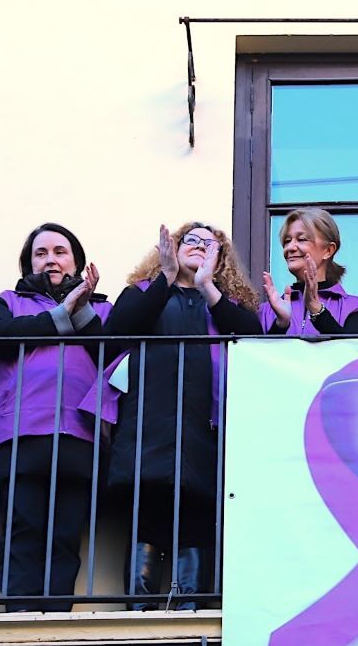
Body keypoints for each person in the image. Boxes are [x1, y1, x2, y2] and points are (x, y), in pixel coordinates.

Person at [100, 222, 262, 611]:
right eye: (192, 240)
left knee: (198, 515)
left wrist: (208, 287)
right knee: (147, 513)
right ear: (172, 249)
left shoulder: (225, 303)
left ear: (219, 259)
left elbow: (252, 339)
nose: (200, 247)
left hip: (204, 428)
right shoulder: (143, 292)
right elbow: (118, 332)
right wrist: (167, 278)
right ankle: (140, 608)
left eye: (210, 244)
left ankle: (189, 605)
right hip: (149, 424)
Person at [0, 223, 110, 612]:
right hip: (17, 431)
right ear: (28, 264)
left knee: (66, 534)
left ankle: (55, 618)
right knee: (23, 526)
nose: (50, 259)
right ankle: (19, 617)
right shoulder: (7, 301)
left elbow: (112, 350)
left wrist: (80, 307)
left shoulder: (101, 308)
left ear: (76, 262)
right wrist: (60, 314)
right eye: (40, 253)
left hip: (81, 433)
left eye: (59, 251)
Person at [259, 208, 358, 335]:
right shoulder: (266, 311)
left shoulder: (355, 308)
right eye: (287, 241)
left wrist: (317, 310)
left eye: (302, 239)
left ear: (328, 250)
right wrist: (281, 324)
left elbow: (352, 353)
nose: (290, 248)